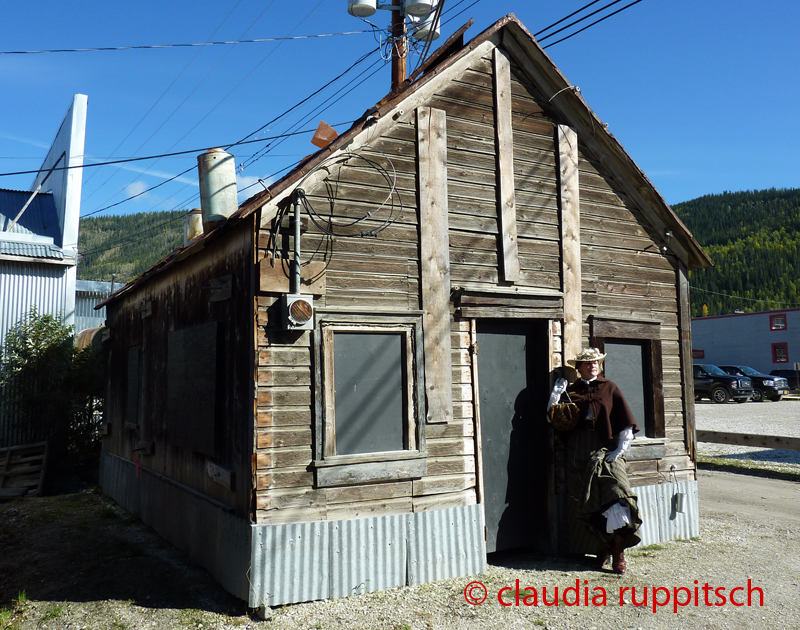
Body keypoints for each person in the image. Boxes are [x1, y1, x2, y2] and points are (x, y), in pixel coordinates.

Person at [563, 347, 642, 574]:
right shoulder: (571, 392)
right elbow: (557, 420)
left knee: (618, 496)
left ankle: (619, 550)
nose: (593, 365)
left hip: (608, 452)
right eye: (587, 363)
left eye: (596, 362)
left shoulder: (610, 388)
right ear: (578, 368)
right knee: (591, 503)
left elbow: (625, 420)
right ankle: (603, 549)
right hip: (580, 456)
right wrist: (554, 397)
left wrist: (621, 448)